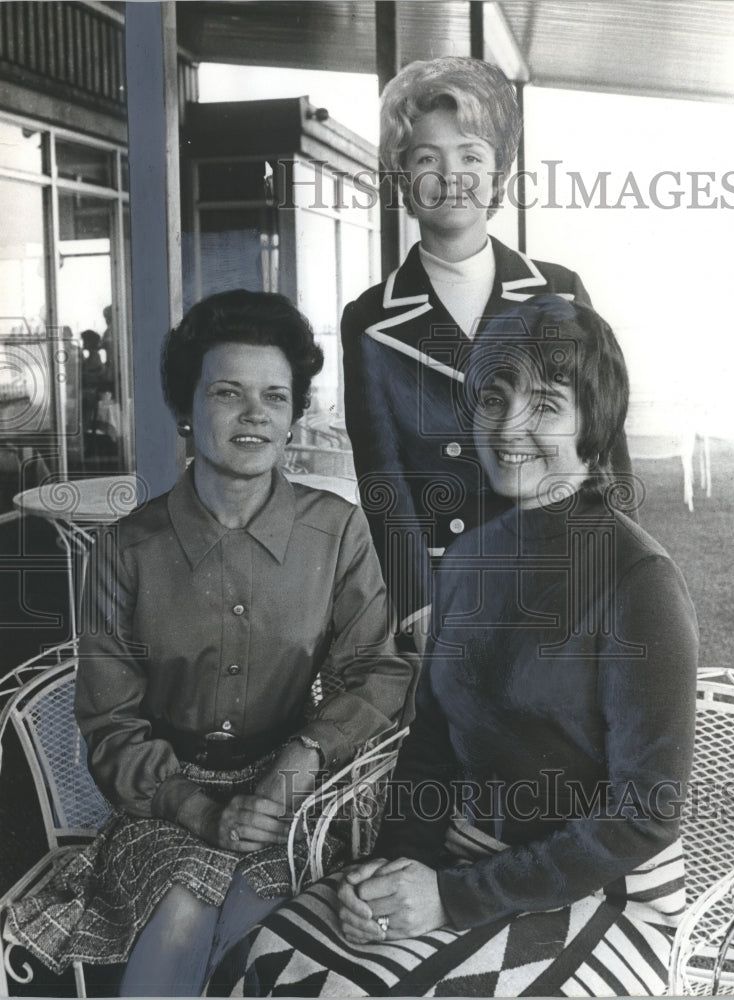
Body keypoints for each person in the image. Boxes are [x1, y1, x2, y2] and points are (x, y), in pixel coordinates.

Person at [236, 295, 698, 997]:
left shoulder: (638, 580)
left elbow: (644, 813)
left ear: (592, 422)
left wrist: (450, 901)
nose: (510, 427)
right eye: (493, 396)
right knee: (274, 949)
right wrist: (389, 875)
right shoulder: (468, 562)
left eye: (545, 403)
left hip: (603, 893)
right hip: (465, 862)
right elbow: (432, 743)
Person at [3, 290, 415, 996]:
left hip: (290, 800)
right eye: (228, 392)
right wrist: (200, 810)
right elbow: (110, 726)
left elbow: (376, 672)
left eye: (275, 397)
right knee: (185, 908)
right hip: (162, 804)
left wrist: (293, 769)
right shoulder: (126, 550)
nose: (254, 413)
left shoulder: (338, 531)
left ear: (292, 416)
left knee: (263, 919)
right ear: (187, 411)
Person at [342, 56, 634, 649]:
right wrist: (418, 607)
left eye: (471, 155)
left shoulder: (559, 290)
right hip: (447, 588)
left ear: (498, 173)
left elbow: (604, 445)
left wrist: (615, 568)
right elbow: (383, 478)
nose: (451, 175)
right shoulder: (369, 319)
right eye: (427, 158)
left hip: (560, 568)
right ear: (402, 177)